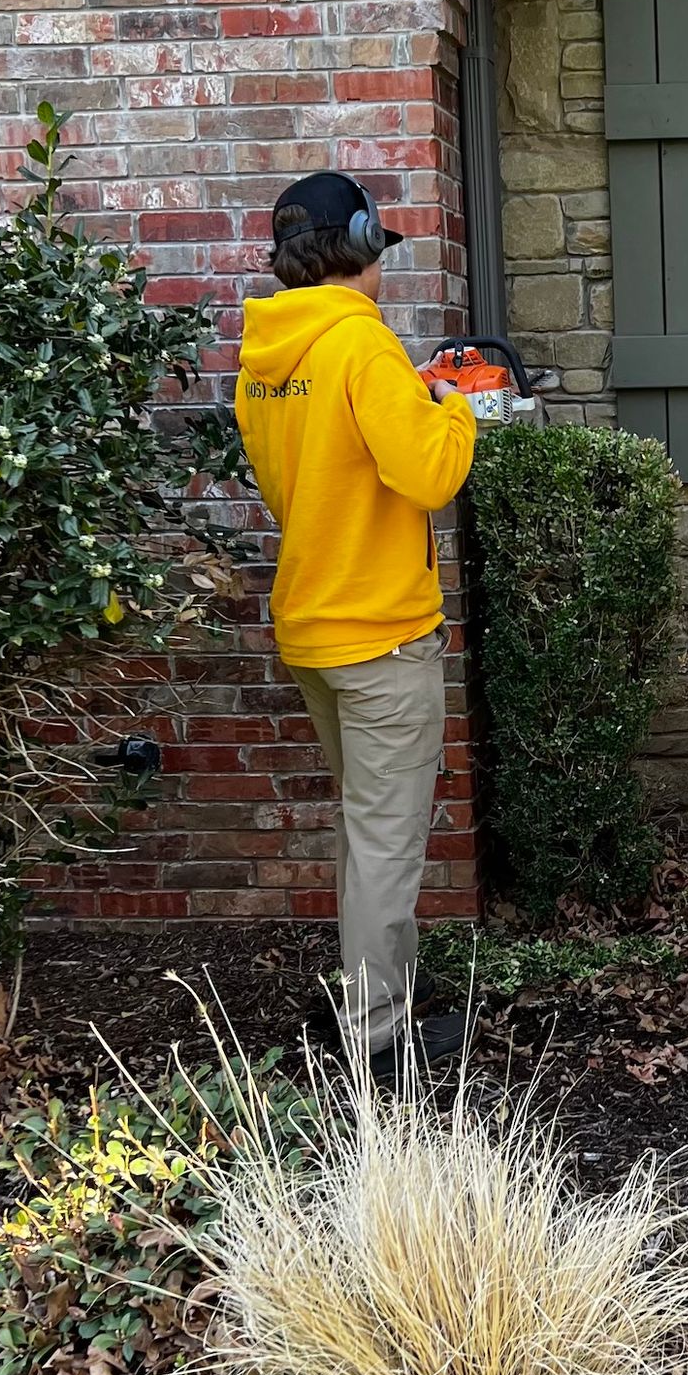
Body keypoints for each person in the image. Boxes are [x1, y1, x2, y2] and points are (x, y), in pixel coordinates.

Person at [236, 171, 478, 1079]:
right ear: (363, 244)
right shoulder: (363, 350)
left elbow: (307, 483)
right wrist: (456, 413)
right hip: (380, 636)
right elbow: (427, 477)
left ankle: (380, 995)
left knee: (365, 830)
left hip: (312, 628)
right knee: (386, 841)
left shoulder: (268, 363)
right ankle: (378, 1040)